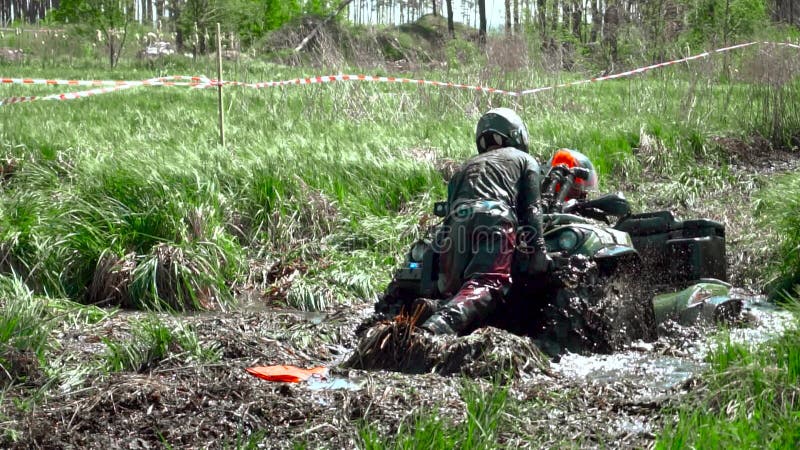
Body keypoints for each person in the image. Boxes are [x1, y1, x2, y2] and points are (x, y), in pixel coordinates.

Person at [421, 108, 550, 335]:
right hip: (495, 219)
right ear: (518, 135)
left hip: (456, 224)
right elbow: (532, 208)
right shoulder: (525, 159)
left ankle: (431, 312)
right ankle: (437, 327)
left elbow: (449, 214)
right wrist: (538, 251)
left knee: (455, 290)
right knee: (488, 283)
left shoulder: (465, 167)